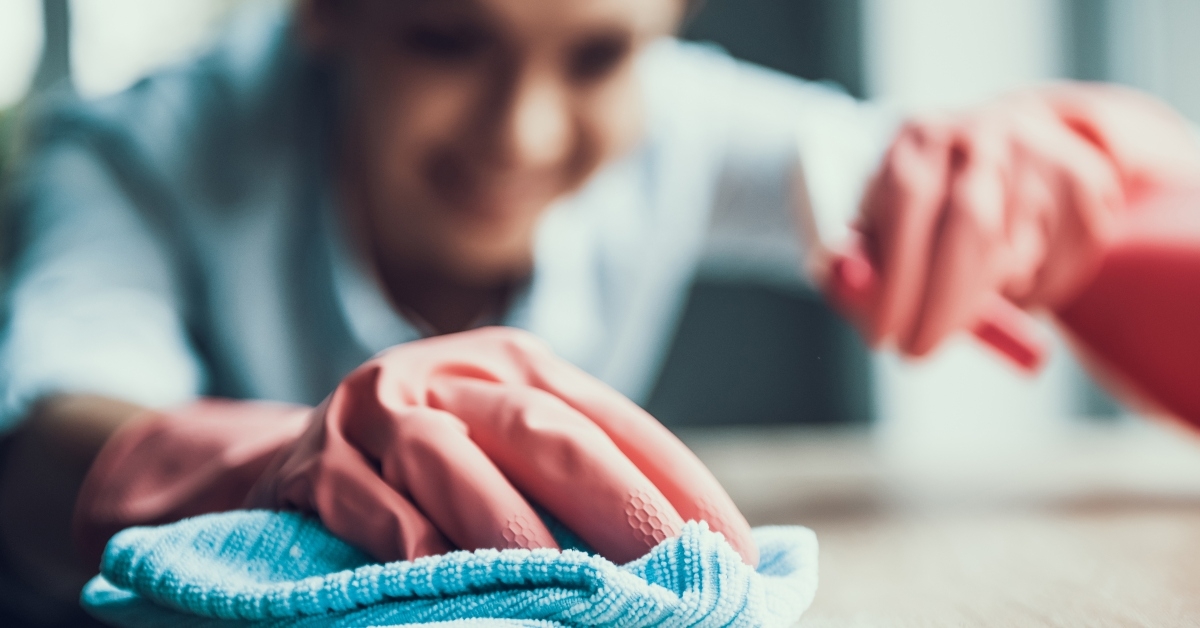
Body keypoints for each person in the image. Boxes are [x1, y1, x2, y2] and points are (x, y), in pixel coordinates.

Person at [1, 0, 1199, 622]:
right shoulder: (142, 150)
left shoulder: (675, 118)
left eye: (596, 58)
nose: (522, 130)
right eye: (444, 38)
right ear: (333, 12)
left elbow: (987, 198)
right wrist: (285, 461)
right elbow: (38, 452)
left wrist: (1070, 172)